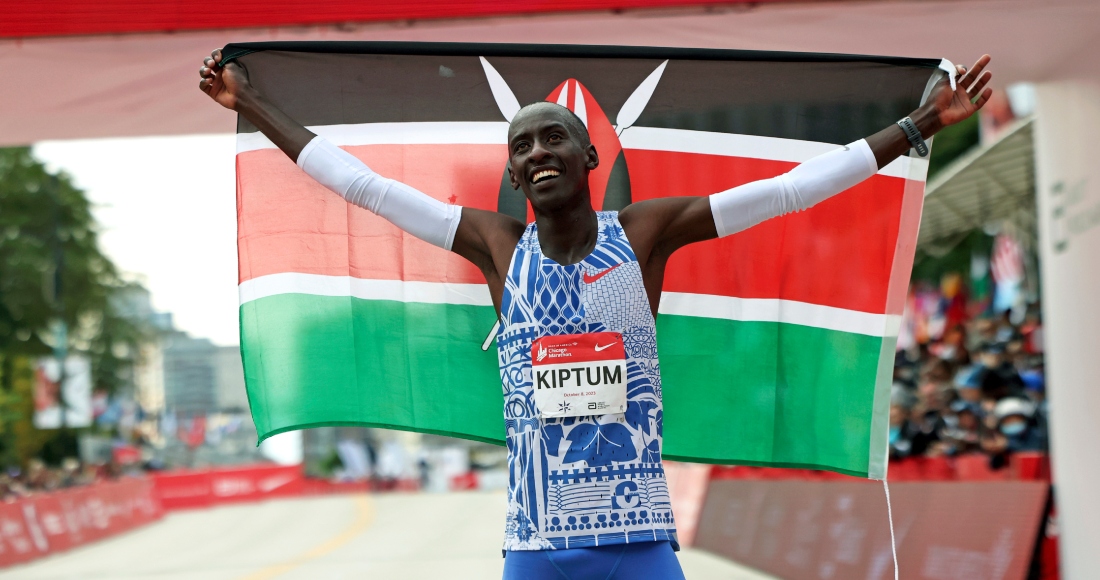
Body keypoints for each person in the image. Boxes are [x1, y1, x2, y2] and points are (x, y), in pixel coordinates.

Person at [199, 48, 992, 579]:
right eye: (522, 147)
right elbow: (361, 185)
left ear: (589, 159)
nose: (538, 151)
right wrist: (253, 104)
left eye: (554, 139)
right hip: (537, 546)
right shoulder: (497, 246)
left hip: (638, 543)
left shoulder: (643, 235)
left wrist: (920, 125)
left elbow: (787, 192)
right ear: (514, 176)